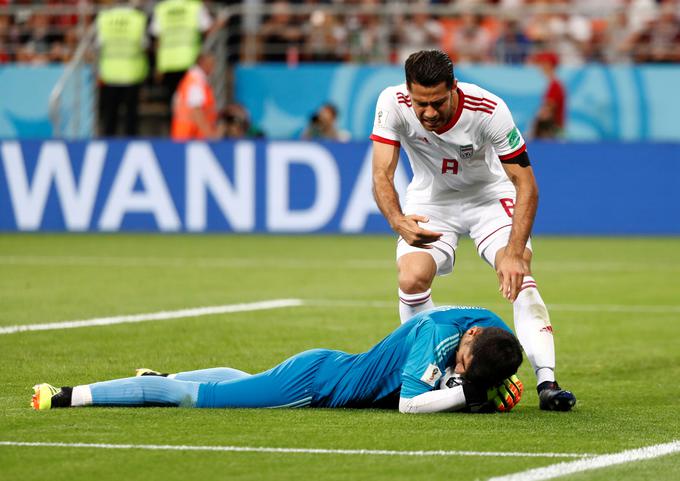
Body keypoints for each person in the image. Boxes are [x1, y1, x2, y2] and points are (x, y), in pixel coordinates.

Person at [370, 49, 576, 411]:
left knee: (517, 273)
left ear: (453, 87)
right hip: (431, 200)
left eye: (437, 102)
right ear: (408, 91)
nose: (429, 112)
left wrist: (513, 253)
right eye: (421, 104)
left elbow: (525, 184)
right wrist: (397, 219)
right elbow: (381, 173)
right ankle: (435, 371)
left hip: (489, 198)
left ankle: (547, 381)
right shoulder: (391, 102)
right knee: (411, 277)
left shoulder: (489, 109)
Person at [32, 306, 524, 414]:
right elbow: (411, 405)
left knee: (242, 383)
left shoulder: (479, 332)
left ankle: (160, 375)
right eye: (462, 361)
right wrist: (466, 393)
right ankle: (68, 395)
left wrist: (496, 385)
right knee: (190, 400)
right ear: (470, 336)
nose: (459, 368)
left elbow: (489, 362)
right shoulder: (438, 335)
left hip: (322, 367)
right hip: (312, 388)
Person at [96, 2, 149, 137]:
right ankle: (131, 145)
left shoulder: (104, 18)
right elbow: (145, 44)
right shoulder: (138, 18)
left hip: (110, 73)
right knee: (131, 116)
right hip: (131, 73)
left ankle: (108, 146)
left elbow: (98, 44)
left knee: (110, 116)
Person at [150, 0, 213, 113]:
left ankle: (177, 128)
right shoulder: (195, 6)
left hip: (168, 62)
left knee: (173, 102)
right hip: (190, 60)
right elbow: (207, 29)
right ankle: (188, 128)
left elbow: (157, 39)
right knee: (193, 101)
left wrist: (158, 65)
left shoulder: (162, 8)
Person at [170, 50, 218, 140]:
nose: (213, 68)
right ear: (203, 63)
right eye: (211, 63)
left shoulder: (194, 79)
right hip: (189, 136)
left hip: (187, 136)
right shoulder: (196, 81)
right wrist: (210, 134)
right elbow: (196, 111)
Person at [530, 51, 566, 139]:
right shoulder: (554, 85)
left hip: (553, 132)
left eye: (542, 64)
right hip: (554, 131)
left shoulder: (555, 86)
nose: (540, 67)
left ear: (549, 65)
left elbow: (546, 112)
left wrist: (533, 131)